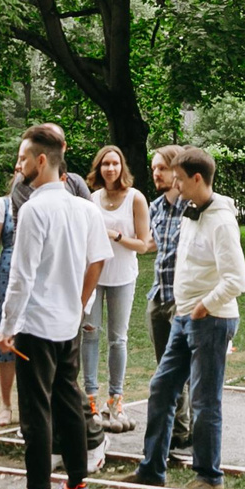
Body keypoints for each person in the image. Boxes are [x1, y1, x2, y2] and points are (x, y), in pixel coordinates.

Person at [0, 124, 109, 489]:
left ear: (42, 161)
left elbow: (22, 278)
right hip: (68, 322)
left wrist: (6, 328)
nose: (18, 164)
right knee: (69, 401)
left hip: (36, 324)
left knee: (36, 411)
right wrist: (81, 302)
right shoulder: (86, 208)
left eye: (23, 157)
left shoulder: (34, 209)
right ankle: (76, 486)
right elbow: (99, 259)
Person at [128, 146, 245, 489]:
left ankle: (209, 476)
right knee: (161, 387)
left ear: (197, 178)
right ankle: (152, 469)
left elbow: (237, 279)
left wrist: (203, 305)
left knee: (204, 399)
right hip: (184, 317)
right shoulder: (190, 212)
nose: (175, 185)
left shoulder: (222, 221)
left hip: (211, 320)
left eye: (179, 179)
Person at [82, 145, 150, 431]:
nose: (110, 169)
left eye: (115, 164)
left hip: (122, 276)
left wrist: (116, 235)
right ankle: (90, 399)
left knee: (117, 339)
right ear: (98, 169)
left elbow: (143, 245)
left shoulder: (135, 198)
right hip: (94, 276)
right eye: (105, 164)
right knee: (90, 334)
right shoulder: (91, 199)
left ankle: (116, 399)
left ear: (122, 168)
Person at [143, 147, 192, 454]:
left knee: (179, 367)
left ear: (177, 171)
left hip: (181, 297)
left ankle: (183, 431)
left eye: (161, 168)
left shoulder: (192, 206)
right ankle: (175, 427)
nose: (156, 174)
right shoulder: (156, 207)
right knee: (164, 365)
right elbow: (155, 248)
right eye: (153, 169)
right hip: (158, 296)